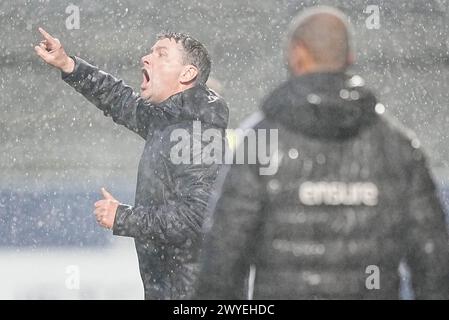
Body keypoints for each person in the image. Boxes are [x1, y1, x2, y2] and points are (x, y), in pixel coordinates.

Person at [195, 6, 449, 299]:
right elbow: (433, 262)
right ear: (349, 58)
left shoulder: (259, 141)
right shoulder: (398, 145)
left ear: (296, 54)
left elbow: (223, 260)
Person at [34, 27, 229, 299]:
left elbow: (197, 218)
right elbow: (119, 99)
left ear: (187, 74)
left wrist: (122, 217)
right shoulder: (170, 120)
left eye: (161, 54)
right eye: (150, 51)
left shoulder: (196, 132)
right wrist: (69, 65)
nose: (146, 58)